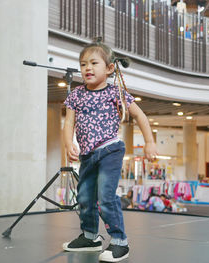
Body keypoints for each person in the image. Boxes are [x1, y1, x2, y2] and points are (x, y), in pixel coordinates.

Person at [62, 40, 159, 262]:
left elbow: (140, 116)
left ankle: (119, 242)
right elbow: (68, 124)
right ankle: (90, 237)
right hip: (87, 154)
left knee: (105, 197)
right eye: (83, 64)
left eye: (94, 63)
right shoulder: (76, 94)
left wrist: (149, 142)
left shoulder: (115, 92)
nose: (87, 68)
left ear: (109, 68)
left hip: (110, 151)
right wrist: (69, 143)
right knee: (85, 197)